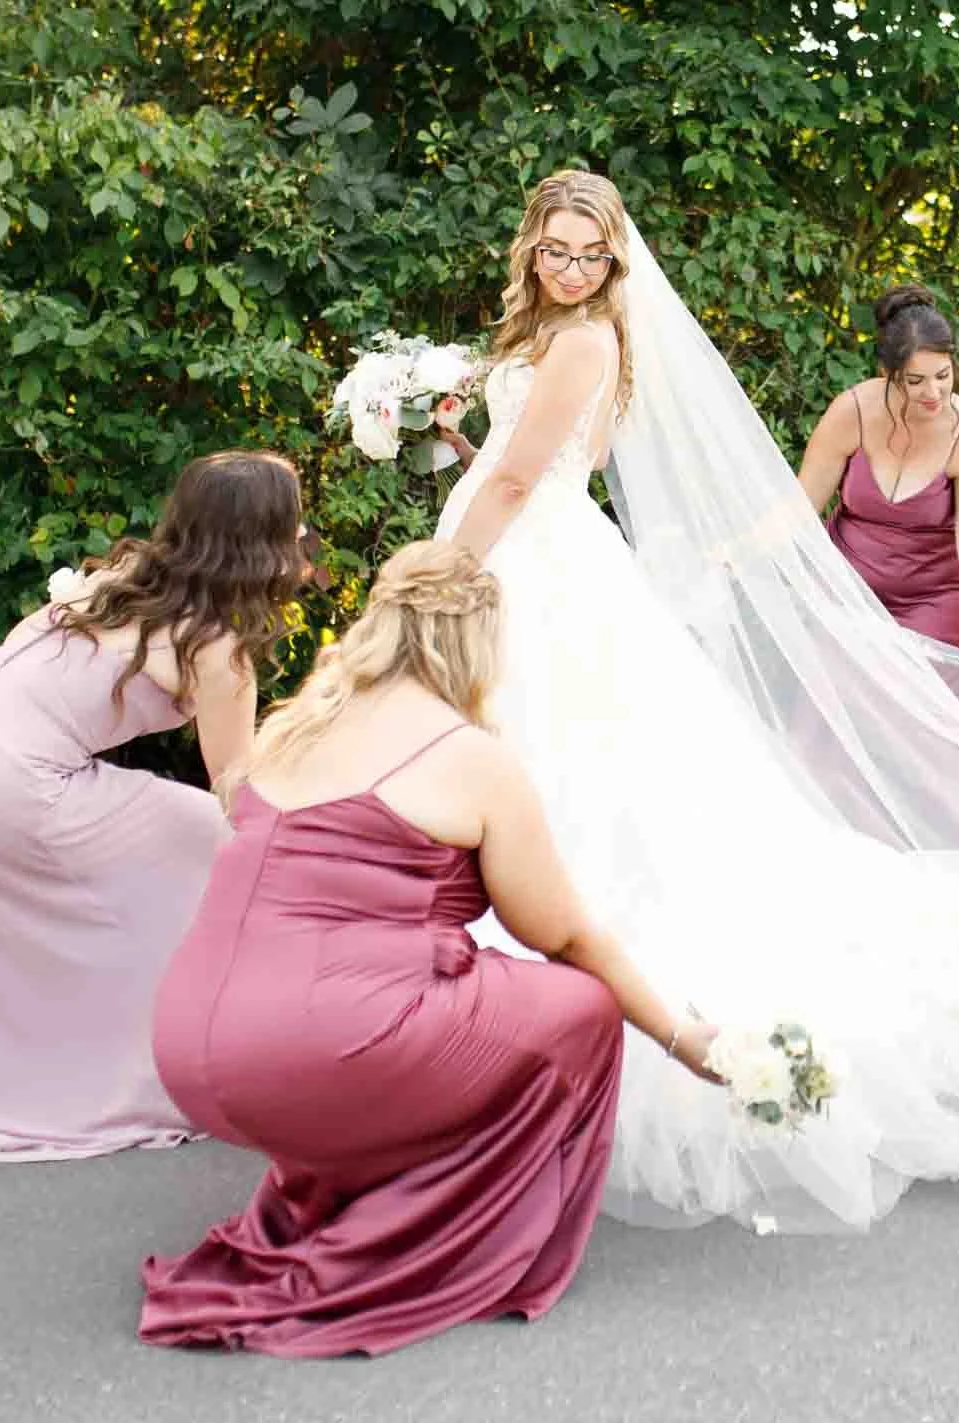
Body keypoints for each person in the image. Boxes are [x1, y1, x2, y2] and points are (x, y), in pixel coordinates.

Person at [427, 169, 959, 1234]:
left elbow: (535, 482)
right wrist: (456, 447)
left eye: (590, 256)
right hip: (542, 557)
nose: (571, 269)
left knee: (575, 767)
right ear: (529, 247)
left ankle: (534, 985)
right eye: (556, 251)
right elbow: (544, 466)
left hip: (569, 567)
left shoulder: (586, 341)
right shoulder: (556, 337)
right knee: (551, 756)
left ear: (613, 263)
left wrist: (439, 578)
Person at [139, 542, 719, 1357]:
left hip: (188, 1043)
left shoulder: (300, 727)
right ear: (475, 643)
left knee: (430, 993)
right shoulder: (468, 756)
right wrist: (676, 1032)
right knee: (577, 1009)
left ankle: (358, 1185)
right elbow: (565, 935)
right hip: (306, 1050)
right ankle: (436, 1240)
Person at [0, 450, 306, 1159]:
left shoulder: (123, 583)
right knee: (207, 847)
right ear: (267, 540)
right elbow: (235, 790)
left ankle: (90, 1047)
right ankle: (196, 1053)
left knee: (148, 861)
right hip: (6, 778)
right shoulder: (219, 647)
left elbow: (21, 644)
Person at [796, 285, 959, 689]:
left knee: (914, 724)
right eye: (916, 380)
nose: (933, 392)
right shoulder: (852, 411)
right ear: (888, 374)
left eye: (943, 376)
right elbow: (798, 510)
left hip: (932, 602)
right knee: (830, 710)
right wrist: (738, 552)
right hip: (846, 590)